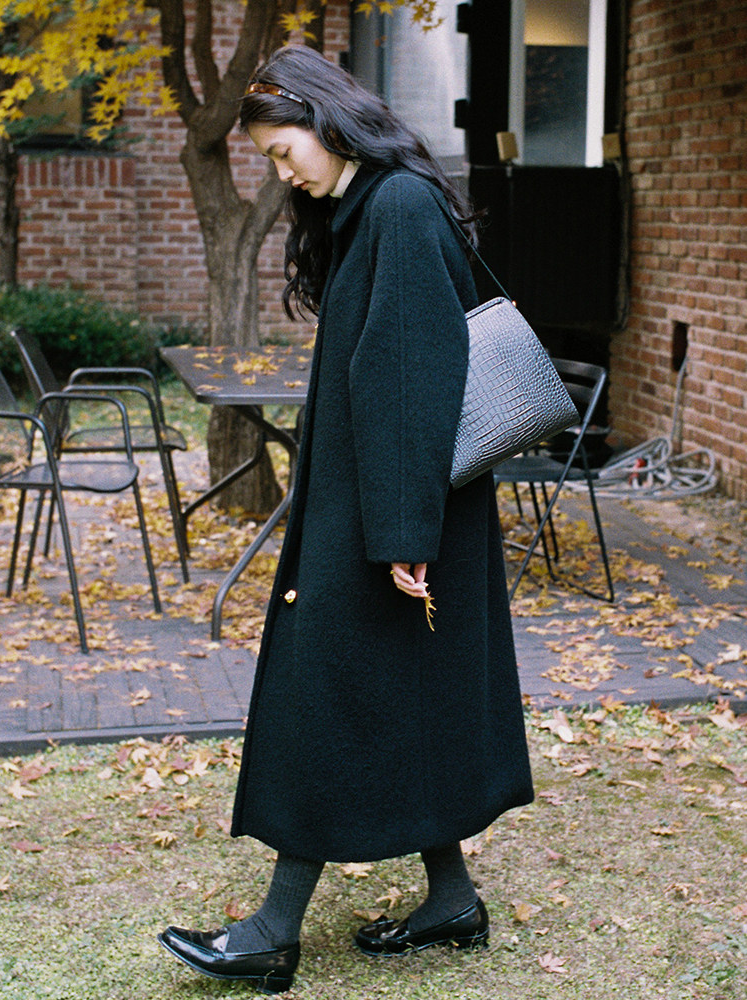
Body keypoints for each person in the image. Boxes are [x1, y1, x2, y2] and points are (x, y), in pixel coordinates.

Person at [158, 44, 533, 995]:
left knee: (326, 693)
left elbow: (410, 379)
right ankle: (451, 902)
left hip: (391, 517)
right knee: (402, 693)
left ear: (324, 122)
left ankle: (272, 933)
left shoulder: (397, 207)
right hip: (388, 507)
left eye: (284, 153)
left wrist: (403, 537)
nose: (284, 175)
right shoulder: (378, 205)